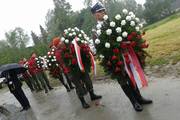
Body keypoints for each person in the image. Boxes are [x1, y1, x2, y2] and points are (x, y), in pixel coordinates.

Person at [91, 2, 152, 112]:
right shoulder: (95, 30)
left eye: (103, 10)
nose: (103, 12)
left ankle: (140, 98)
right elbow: (98, 47)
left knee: (132, 76)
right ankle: (134, 102)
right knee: (123, 81)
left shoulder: (114, 22)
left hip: (125, 55)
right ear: (95, 15)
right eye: (99, 11)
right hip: (113, 59)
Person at [53, 37, 102, 109]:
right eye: (60, 41)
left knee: (87, 80)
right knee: (79, 86)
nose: (62, 42)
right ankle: (83, 102)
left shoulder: (68, 46)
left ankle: (92, 95)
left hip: (79, 67)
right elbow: (64, 62)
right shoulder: (58, 53)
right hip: (71, 71)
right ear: (57, 44)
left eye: (61, 40)